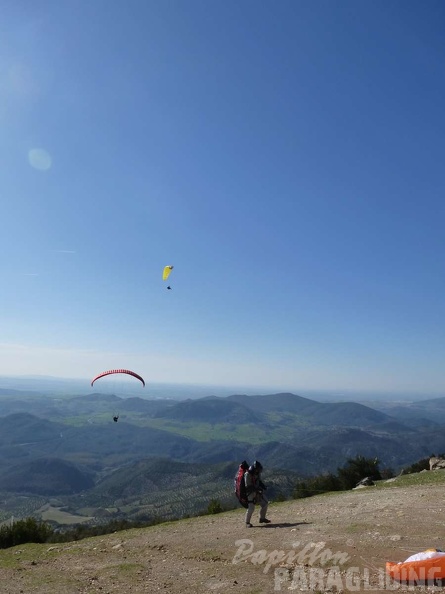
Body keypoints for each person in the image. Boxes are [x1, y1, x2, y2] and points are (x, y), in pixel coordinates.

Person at [244, 460, 270, 527]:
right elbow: (248, 486)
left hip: (257, 491)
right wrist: (258, 489)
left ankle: (262, 518)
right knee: (251, 508)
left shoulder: (257, 473)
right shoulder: (247, 474)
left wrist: (264, 487)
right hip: (250, 493)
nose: (259, 471)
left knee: (265, 503)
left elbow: (259, 481)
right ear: (255, 469)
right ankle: (247, 523)